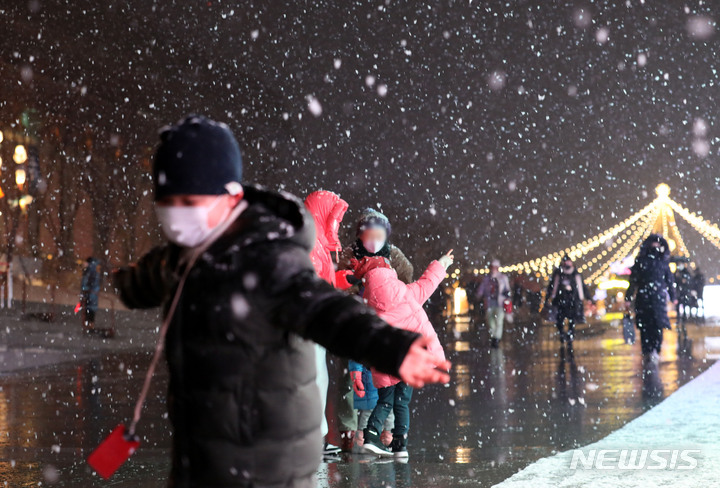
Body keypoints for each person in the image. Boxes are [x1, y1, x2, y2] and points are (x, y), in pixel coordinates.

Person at [113, 115, 451, 488]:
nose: (177, 213)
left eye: (188, 200)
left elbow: (328, 310)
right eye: (167, 202)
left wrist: (393, 347)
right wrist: (124, 284)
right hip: (200, 445)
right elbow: (150, 276)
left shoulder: (268, 258)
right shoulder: (185, 255)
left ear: (228, 197)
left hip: (267, 452)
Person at [354, 250, 454, 457]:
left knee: (385, 402)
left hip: (385, 363)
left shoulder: (369, 307)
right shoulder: (406, 293)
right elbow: (428, 283)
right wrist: (442, 263)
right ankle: (400, 445)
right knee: (402, 403)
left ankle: (371, 434)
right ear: (389, 272)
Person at [335, 207, 414, 451]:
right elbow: (339, 281)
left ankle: (386, 430)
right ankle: (350, 429)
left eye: (379, 233)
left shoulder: (394, 255)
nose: (374, 239)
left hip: (386, 322)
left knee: (387, 380)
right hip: (355, 321)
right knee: (351, 375)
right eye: (369, 233)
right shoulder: (349, 254)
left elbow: (408, 279)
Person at [304, 190, 351, 457]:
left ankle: (316, 437)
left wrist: (347, 279)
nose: (338, 225)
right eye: (336, 218)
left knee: (317, 379)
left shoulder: (314, 241)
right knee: (314, 380)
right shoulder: (312, 244)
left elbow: (326, 280)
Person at [625, 234, 676, 365]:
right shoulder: (642, 261)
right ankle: (649, 351)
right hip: (646, 299)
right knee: (646, 328)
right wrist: (628, 297)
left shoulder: (662, 261)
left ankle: (654, 350)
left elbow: (669, 280)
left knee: (656, 327)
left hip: (655, 299)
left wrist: (673, 296)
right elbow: (633, 281)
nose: (656, 246)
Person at [546, 255, 587, 349]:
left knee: (571, 320)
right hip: (561, 301)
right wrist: (548, 298)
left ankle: (569, 335)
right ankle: (563, 335)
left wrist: (587, 298)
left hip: (572, 301)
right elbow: (552, 287)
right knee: (560, 320)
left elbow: (582, 287)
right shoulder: (558, 273)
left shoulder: (575, 274)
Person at [476, 259, 510, 348]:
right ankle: (494, 335)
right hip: (489, 303)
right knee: (490, 322)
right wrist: (479, 295)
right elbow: (482, 289)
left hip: (500, 303)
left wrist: (507, 298)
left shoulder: (503, 278)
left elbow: (507, 290)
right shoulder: (486, 279)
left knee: (499, 321)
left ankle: (496, 338)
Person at [80, 257, 102, 334]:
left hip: (90, 294)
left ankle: (89, 326)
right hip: (91, 294)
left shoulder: (90, 271)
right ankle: (89, 325)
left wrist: (85, 291)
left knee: (89, 309)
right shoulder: (92, 270)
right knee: (89, 309)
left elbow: (88, 282)